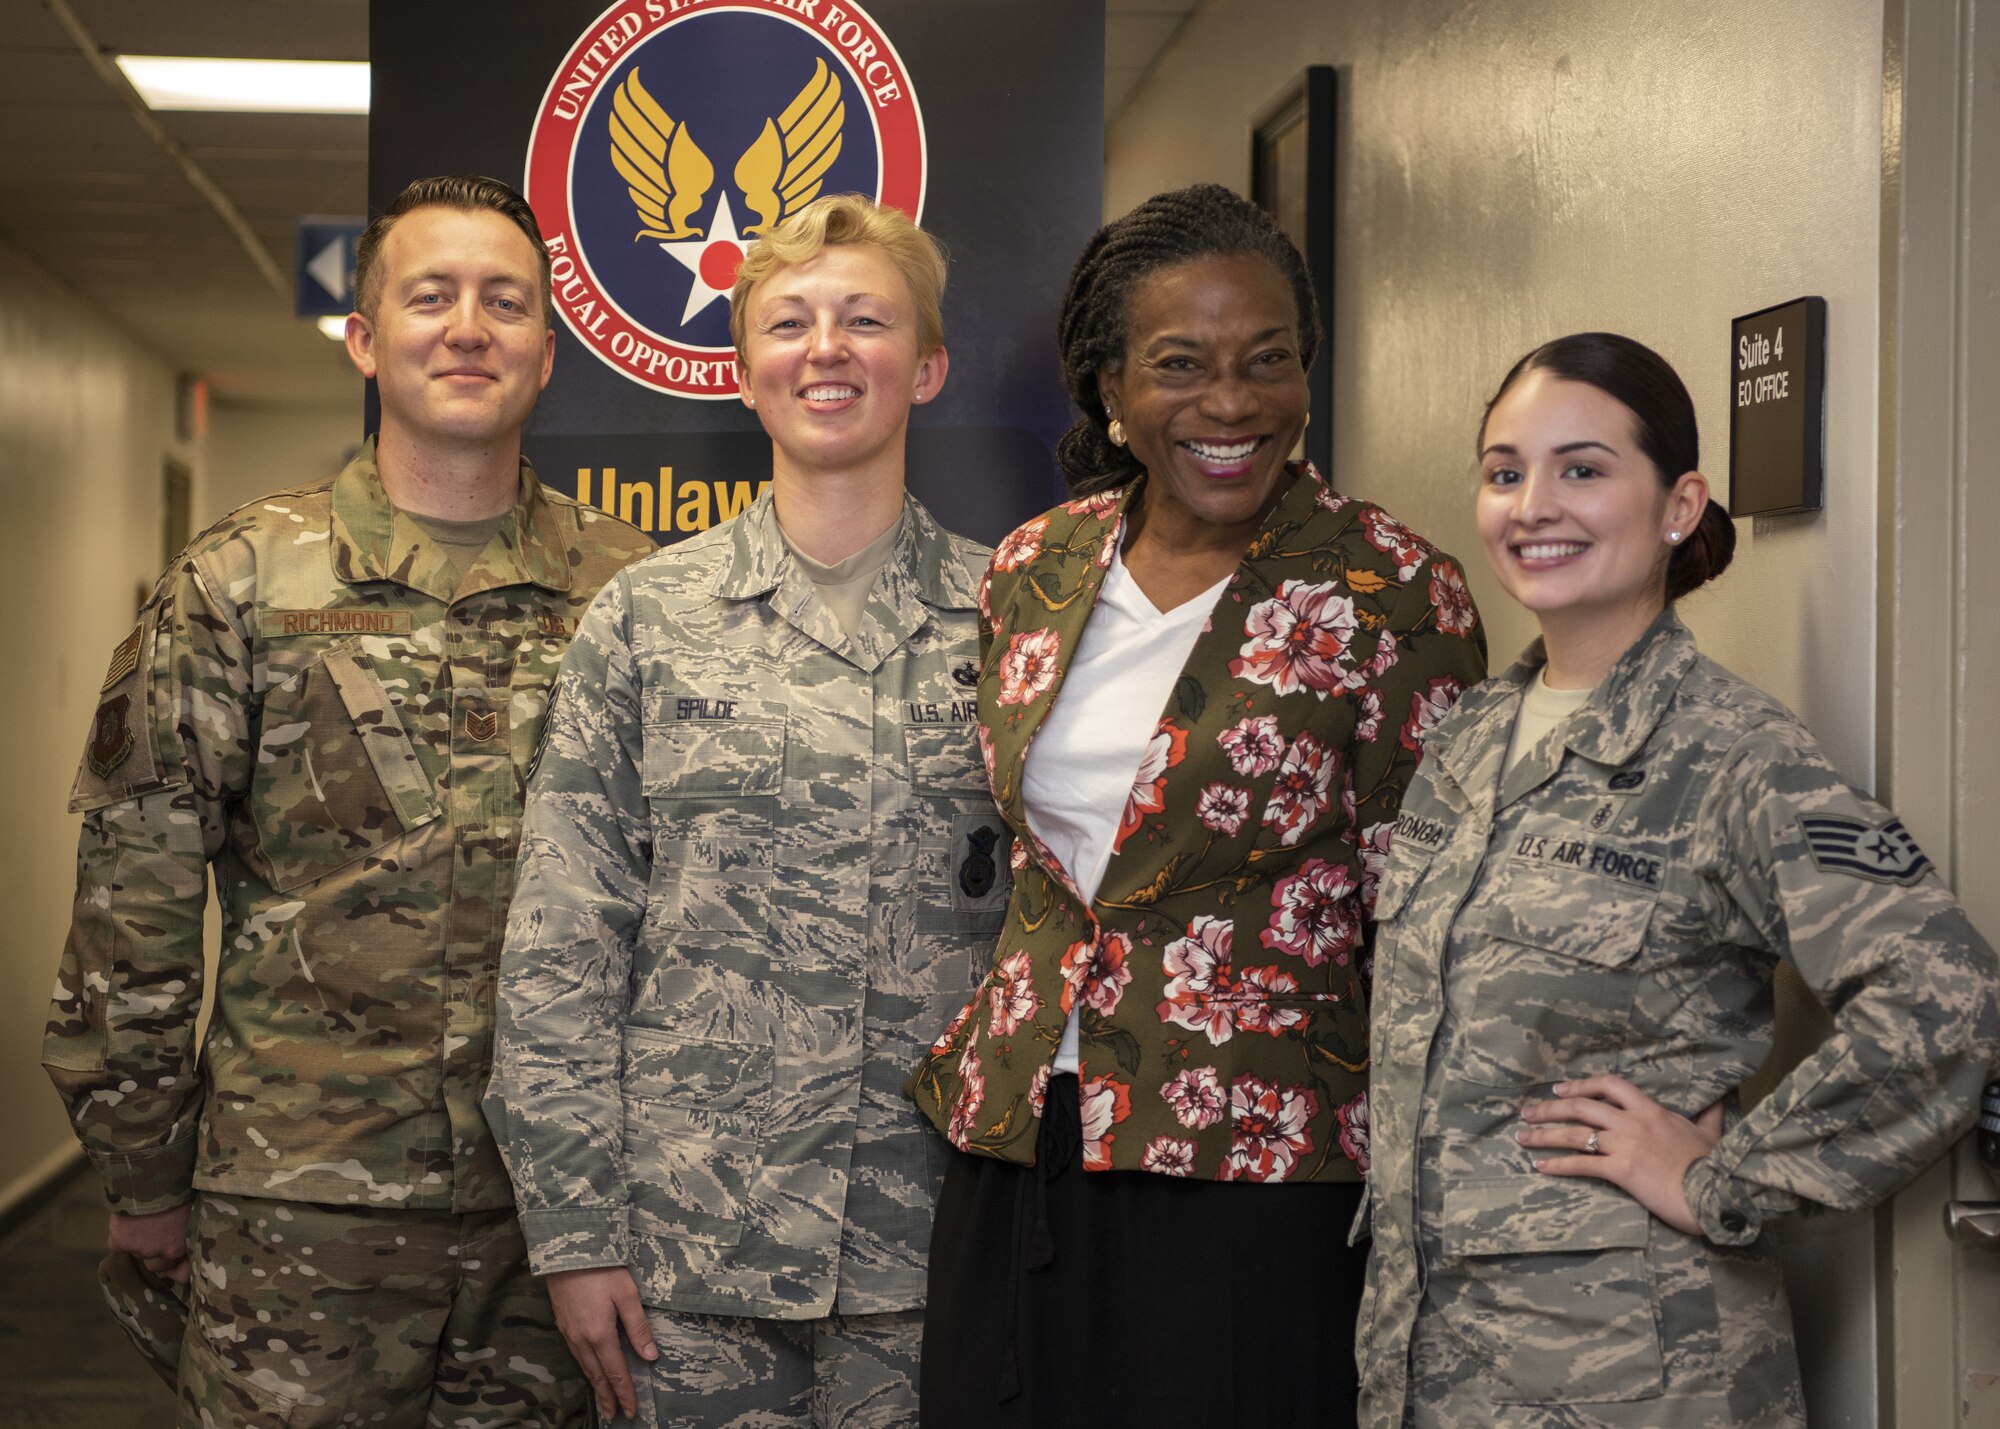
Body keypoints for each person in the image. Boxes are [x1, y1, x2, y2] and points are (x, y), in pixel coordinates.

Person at [42, 174, 655, 1427]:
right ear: (366, 340)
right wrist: (144, 1166)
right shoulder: (240, 582)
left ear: (548, 346)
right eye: (430, 297)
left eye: (505, 301)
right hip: (300, 1209)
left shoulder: (632, 594)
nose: (469, 327)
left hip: (562, 1216)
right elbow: (134, 904)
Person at [905, 183, 1488, 1427]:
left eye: (1265, 361)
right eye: (1180, 364)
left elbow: (1432, 925)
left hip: (1255, 1161)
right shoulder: (1034, 566)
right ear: (1109, 389)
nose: (1229, 403)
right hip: (1020, 1130)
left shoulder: (1391, 593)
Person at [1357, 332, 2000, 1427]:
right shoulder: (1467, 742)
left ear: (1677, 504)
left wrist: (1722, 1179)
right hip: (1429, 1365)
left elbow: (1942, 1001)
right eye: (1505, 472)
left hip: (1632, 1373)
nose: (1533, 506)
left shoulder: (1734, 756)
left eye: (1583, 469)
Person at [487, 194, 1005, 1428]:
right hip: (684, 1260)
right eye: (790, 322)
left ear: (925, 367)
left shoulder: (1016, 618)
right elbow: (564, 939)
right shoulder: (646, 619)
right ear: (743, 371)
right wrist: (573, 1233)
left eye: (864, 320)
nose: (825, 348)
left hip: (936, 1255)